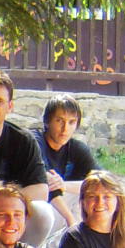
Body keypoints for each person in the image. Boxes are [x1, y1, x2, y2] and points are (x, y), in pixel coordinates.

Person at [0, 71, 57, 247]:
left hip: (9, 217)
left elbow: (40, 189)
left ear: (10, 106)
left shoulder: (23, 140)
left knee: (43, 212)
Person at [35, 94, 98, 227]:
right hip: (36, 206)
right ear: (47, 121)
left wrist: (63, 185)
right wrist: (71, 220)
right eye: (59, 121)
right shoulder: (35, 142)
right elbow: (45, 183)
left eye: (71, 122)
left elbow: (103, 182)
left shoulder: (77, 148)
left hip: (62, 207)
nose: (65, 129)